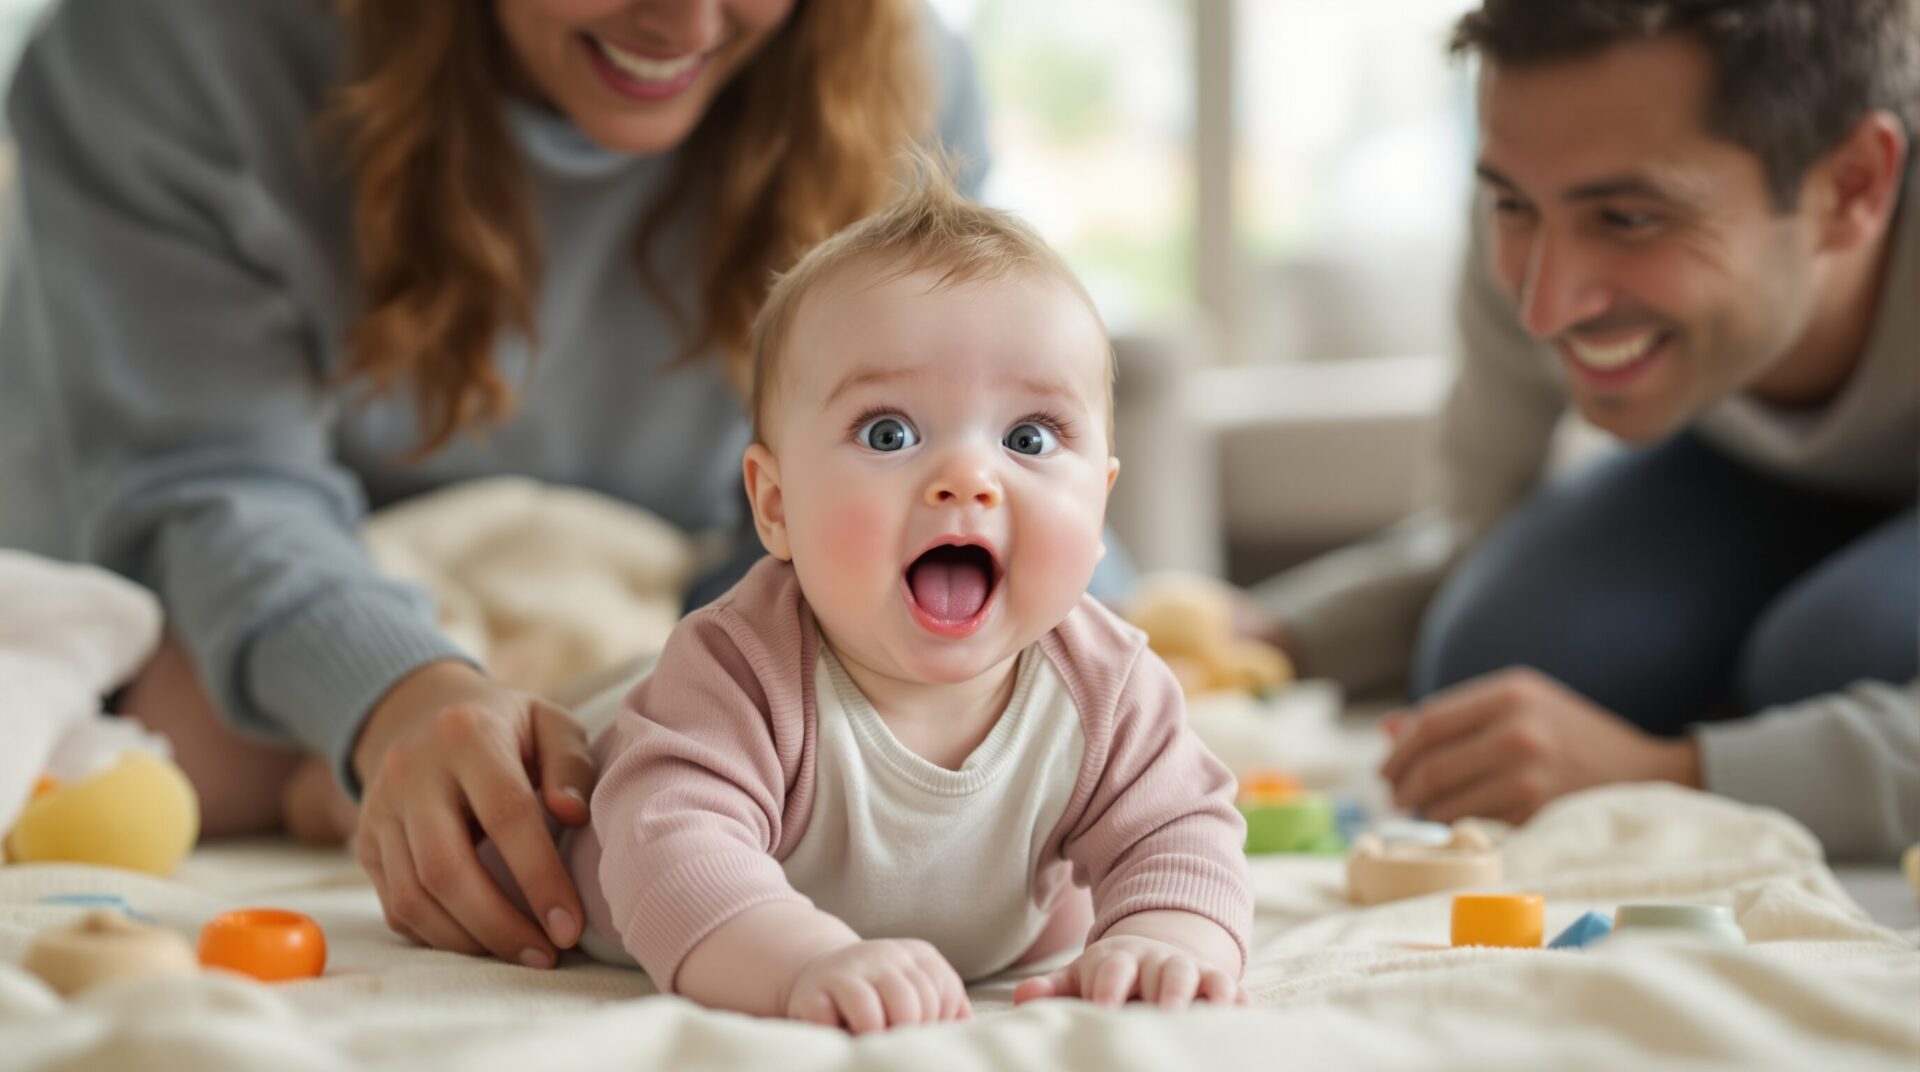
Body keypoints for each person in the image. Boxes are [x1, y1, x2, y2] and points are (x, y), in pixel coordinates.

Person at [0, 0, 992, 970]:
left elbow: (936, 475)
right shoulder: (164, 41)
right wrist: (397, 695)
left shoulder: (898, 73)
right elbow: (211, 485)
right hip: (223, 627)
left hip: (646, 606)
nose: (687, 25)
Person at [550, 164, 1251, 1030]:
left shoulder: (1110, 689)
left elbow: (1182, 837)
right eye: (890, 432)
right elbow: (672, 851)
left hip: (993, 934)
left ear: (1101, 499)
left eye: (1029, 437)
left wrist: (1165, 936)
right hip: (589, 788)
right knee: (515, 785)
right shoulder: (738, 671)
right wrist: (803, 960)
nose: (968, 477)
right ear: (775, 505)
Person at [1253, 0, 1918, 862]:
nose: (1542, 305)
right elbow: (1476, 530)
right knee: (1489, 660)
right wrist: (1284, 635)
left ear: (1853, 185)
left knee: (1833, 653)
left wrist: (1671, 772)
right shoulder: (1543, 213)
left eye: (1630, 218)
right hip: (1749, 487)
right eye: (1512, 205)